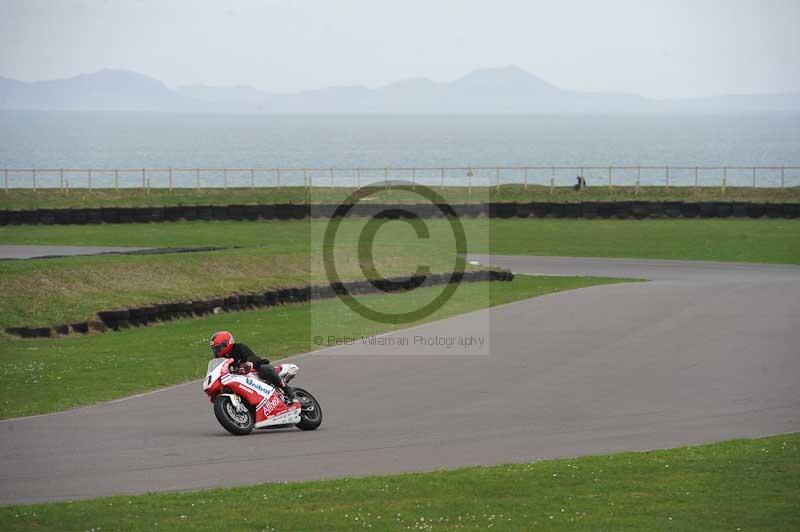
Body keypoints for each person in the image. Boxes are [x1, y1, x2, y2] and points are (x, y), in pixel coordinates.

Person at [209, 330, 297, 403]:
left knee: (264, 369)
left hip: (254, 371)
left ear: (226, 344)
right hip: (239, 380)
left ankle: (287, 390)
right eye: (214, 349)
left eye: (218, 348)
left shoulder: (239, 348)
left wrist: (249, 363)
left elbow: (250, 356)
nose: (216, 351)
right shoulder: (222, 360)